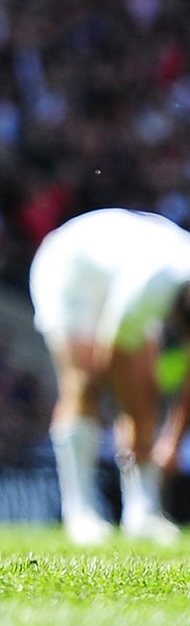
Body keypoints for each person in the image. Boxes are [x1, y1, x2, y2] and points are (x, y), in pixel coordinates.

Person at [29, 208, 190, 544]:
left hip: (118, 272)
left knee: (144, 391)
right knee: (84, 384)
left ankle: (143, 512)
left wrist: (172, 442)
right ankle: (80, 513)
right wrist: (135, 418)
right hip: (68, 269)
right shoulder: (155, 283)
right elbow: (111, 356)